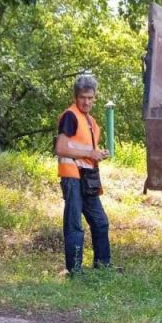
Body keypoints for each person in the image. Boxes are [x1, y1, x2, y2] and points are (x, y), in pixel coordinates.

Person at [55, 74, 112, 275]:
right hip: (72, 177)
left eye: (90, 97)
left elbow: (85, 149)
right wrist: (89, 153)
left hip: (88, 178)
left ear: (95, 97)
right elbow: (60, 148)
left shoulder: (91, 122)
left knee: (100, 221)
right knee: (74, 224)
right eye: (82, 97)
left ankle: (103, 266)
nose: (86, 101)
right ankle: (74, 271)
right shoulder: (70, 116)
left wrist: (97, 155)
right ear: (75, 97)